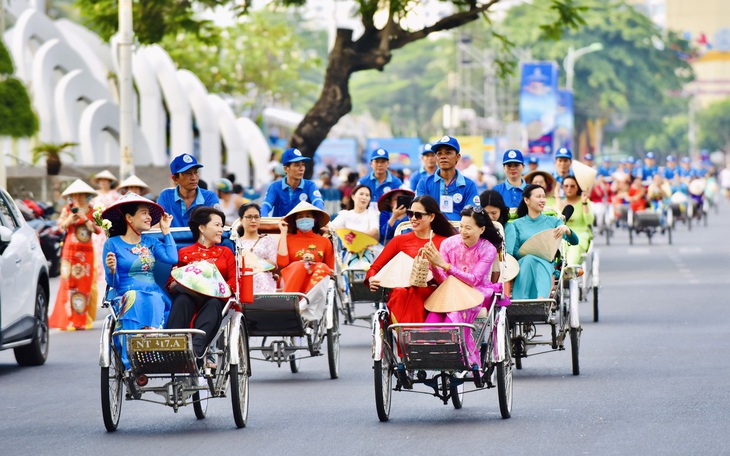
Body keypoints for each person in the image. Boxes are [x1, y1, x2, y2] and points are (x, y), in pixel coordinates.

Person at [101, 193, 177, 368]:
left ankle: (154, 353)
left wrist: (166, 231)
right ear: (129, 217)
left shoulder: (151, 242)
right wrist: (112, 269)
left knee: (155, 299)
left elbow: (172, 258)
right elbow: (113, 282)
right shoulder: (112, 244)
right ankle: (131, 361)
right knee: (134, 297)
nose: (149, 217)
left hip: (153, 294)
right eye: (143, 213)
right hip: (126, 294)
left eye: (149, 213)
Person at [421, 205, 502, 365]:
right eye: (461, 226)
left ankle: (454, 354)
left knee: (454, 316)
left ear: (482, 229)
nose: (463, 231)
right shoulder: (448, 244)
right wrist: (433, 266)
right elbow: (443, 280)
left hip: (477, 293)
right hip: (449, 291)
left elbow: (474, 279)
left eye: (468, 228)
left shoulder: (488, 249)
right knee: (433, 322)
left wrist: (444, 265)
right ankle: (431, 354)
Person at [365, 196, 457, 324]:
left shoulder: (446, 242)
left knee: (415, 292)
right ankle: (408, 337)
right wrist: (372, 278)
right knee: (399, 292)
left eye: (418, 215)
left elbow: (454, 272)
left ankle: (408, 337)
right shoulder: (399, 241)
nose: (413, 218)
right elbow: (375, 268)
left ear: (431, 217)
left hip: (435, 293)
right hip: (403, 292)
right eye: (410, 214)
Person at [166, 207, 236, 366]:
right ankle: (172, 347)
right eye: (217, 225)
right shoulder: (184, 252)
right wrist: (182, 278)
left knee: (213, 303)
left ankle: (197, 350)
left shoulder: (226, 252)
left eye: (222, 226)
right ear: (202, 228)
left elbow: (232, 283)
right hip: (189, 299)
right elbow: (171, 284)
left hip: (217, 301)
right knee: (183, 299)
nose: (221, 230)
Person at [505, 184, 579, 300]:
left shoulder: (554, 222)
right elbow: (515, 252)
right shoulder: (516, 224)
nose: (542, 200)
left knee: (538, 262)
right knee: (529, 259)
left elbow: (575, 242)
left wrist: (567, 230)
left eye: (544, 196)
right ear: (526, 200)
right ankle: (530, 300)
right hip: (524, 263)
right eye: (538, 197)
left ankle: (538, 299)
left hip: (547, 264)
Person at [49, 179, 102, 330]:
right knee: (69, 285)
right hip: (70, 251)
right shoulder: (67, 209)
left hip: (86, 253)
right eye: (75, 195)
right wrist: (70, 219)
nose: (78, 197)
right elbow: (59, 228)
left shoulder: (92, 210)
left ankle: (82, 319)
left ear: (87, 195)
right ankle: (69, 320)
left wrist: (84, 218)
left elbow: (97, 230)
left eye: (81, 194)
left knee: (85, 285)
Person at [277, 201, 335, 300]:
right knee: (300, 264)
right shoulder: (287, 238)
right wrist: (283, 233)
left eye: (308, 216)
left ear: (314, 219)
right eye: (300, 217)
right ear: (295, 221)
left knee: (322, 267)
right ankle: (290, 301)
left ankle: (303, 305)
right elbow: (282, 263)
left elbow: (330, 269)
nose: (304, 219)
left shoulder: (325, 241)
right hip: (290, 280)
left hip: (315, 281)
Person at [416, 135, 480, 221]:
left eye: (448, 152)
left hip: (460, 233)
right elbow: (419, 213)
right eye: (439, 153)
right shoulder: (424, 183)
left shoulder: (469, 185)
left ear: (458, 157)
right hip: (431, 233)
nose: (443, 156)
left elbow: (473, 216)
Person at [157, 153, 220, 227]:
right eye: (188, 173)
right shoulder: (165, 196)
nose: (194, 178)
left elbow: (215, 225)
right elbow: (158, 224)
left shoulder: (210, 197)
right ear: (175, 179)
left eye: (196, 172)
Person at [261, 148, 324, 217]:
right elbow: (265, 207)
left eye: (303, 164)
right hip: (279, 227)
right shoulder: (275, 187)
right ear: (286, 168)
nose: (302, 169)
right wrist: (265, 222)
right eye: (297, 165)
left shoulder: (310, 186)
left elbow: (318, 203)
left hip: (303, 227)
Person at [330, 184, 381, 265]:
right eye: (361, 194)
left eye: (367, 195)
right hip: (349, 252)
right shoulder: (345, 214)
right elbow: (332, 227)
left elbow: (374, 231)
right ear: (353, 196)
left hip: (368, 251)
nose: (364, 197)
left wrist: (354, 236)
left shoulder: (371, 213)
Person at [232, 203, 278, 293]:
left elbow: (272, 264)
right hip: (241, 277)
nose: (253, 220)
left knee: (259, 276)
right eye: (249, 217)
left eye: (256, 217)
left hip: (263, 278)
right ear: (241, 220)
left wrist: (248, 262)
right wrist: (262, 262)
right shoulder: (235, 242)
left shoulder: (267, 239)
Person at [91, 170, 120, 277]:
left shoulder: (115, 195)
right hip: (98, 226)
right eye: (101, 180)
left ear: (110, 182)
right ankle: (98, 274)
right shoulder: (95, 195)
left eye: (105, 180)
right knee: (97, 249)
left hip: (111, 226)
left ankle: (109, 271)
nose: (103, 182)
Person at [562, 176, 594, 265]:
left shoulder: (584, 200)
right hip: (562, 234)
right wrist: (557, 196)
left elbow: (589, 221)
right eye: (566, 186)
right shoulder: (559, 201)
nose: (569, 188)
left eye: (572, 186)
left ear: (578, 187)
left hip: (581, 233)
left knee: (574, 246)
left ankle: (568, 270)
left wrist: (584, 203)